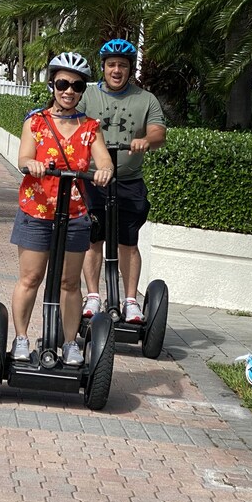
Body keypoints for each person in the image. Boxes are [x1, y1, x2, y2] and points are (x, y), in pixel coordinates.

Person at [10, 52, 114, 366]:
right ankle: (21, 339)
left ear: (83, 89)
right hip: (37, 211)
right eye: (63, 83)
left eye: (77, 85)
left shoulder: (90, 127)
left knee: (70, 283)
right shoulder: (36, 122)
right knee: (31, 278)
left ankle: (70, 343)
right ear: (53, 83)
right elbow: (23, 157)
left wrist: (104, 170)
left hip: (76, 214)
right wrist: (33, 164)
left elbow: (104, 158)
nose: (69, 90)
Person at [77, 38, 167, 323]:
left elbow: (159, 134)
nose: (117, 70)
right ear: (103, 67)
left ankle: (130, 301)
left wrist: (145, 140)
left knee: (129, 241)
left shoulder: (145, 99)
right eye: (112, 65)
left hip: (129, 180)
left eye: (123, 66)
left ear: (130, 70)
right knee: (94, 238)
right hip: (92, 180)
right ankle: (92, 296)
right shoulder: (87, 97)